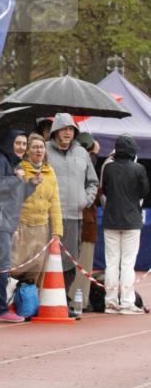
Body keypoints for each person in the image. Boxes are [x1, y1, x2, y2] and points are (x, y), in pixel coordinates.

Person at [0, 129, 37, 323]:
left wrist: (31, 185)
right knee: (2, 266)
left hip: (6, 221)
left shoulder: (14, 166)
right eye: (17, 143)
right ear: (9, 143)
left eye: (23, 144)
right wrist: (15, 179)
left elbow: (15, 197)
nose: (21, 147)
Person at [46, 113, 98, 308]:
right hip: (50, 216)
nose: (68, 132)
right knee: (48, 259)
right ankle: (44, 297)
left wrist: (85, 200)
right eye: (64, 129)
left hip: (74, 215)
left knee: (70, 261)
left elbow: (92, 182)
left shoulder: (82, 153)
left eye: (71, 129)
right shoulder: (45, 151)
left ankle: (62, 299)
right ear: (55, 131)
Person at [101, 134, 149, 314]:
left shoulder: (108, 168)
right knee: (128, 263)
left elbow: (104, 189)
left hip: (111, 219)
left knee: (111, 263)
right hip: (131, 220)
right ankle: (127, 302)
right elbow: (144, 191)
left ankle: (110, 302)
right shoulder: (139, 169)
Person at [11, 132, 63, 285]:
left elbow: (55, 202)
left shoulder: (50, 172)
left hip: (42, 228)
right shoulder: (20, 169)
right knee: (14, 267)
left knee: (36, 270)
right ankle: (9, 302)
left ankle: (29, 305)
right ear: (28, 150)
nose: (39, 150)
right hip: (22, 225)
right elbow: (14, 199)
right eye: (34, 147)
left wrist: (57, 232)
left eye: (41, 147)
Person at [73, 131, 101, 310]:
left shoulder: (71, 161)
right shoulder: (90, 163)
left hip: (71, 219)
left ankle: (72, 296)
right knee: (84, 263)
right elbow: (96, 191)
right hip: (86, 221)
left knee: (72, 261)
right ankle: (79, 299)